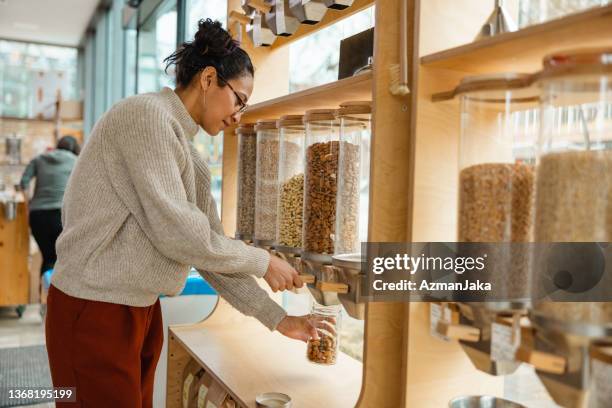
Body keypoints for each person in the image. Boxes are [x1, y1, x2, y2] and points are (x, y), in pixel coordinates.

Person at [45, 19, 317, 408]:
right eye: (239, 99)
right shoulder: (145, 116)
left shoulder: (187, 150)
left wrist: (278, 318)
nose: (239, 115)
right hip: (93, 308)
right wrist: (262, 261)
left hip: (138, 307)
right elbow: (182, 236)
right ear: (208, 79)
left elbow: (209, 250)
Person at [20, 135, 80, 275]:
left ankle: (44, 295)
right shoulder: (76, 161)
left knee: (48, 258)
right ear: (75, 148)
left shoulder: (39, 159)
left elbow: (23, 183)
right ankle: (55, 296)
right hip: (61, 216)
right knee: (62, 260)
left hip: (37, 216)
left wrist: (29, 203)